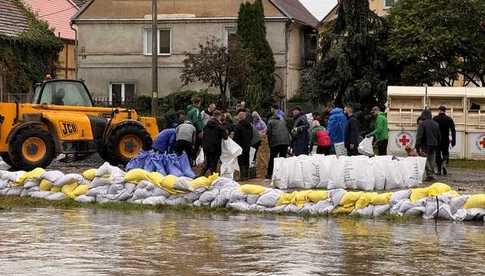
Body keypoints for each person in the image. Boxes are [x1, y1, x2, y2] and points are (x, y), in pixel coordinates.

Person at [416, 109, 441, 181]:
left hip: (425, 145)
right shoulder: (436, 124)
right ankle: (431, 174)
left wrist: (417, 146)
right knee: (432, 159)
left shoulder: (422, 124)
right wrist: (438, 144)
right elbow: (439, 136)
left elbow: (419, 136)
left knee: (424, 159)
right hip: (434, 144)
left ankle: (429, 174)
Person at [201, 111, 228, 176]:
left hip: (206, 147)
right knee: (214, 164)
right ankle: (214, 178)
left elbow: (203, 135)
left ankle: (201, 176)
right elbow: (225, 137)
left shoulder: (206, 125)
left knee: (208, 162)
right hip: (215, 147)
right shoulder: (219, 126)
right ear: (219, 116)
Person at [266, 113, 291, 179]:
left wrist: (270, 144)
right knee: (282, 159)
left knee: (272, 158)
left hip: (276, 142)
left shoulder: (270, 121)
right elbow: (287, 131)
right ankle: (282, 174)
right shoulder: (282, 121)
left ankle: (269, 174)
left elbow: (269, 133)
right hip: (285, 141)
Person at [433, 105, 456, 175]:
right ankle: (444, 163)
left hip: (437, 140)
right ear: (445, 111)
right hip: (445, 139)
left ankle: (439, 170)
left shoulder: (435, 118)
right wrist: (454, 140)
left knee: (437, 155)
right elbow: (453, 130)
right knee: (445, 153)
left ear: (439, 110)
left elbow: (432, 129)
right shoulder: (449, 119)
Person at [234, 109, 254, 180]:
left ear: (239, 117)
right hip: (247, 145)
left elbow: (236, 136)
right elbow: (252, 135)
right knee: (247, 159)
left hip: (240, 145)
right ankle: (247, 176)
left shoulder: (238, 125)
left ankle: (242, 176)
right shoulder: (249, 125)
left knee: (241, 161)